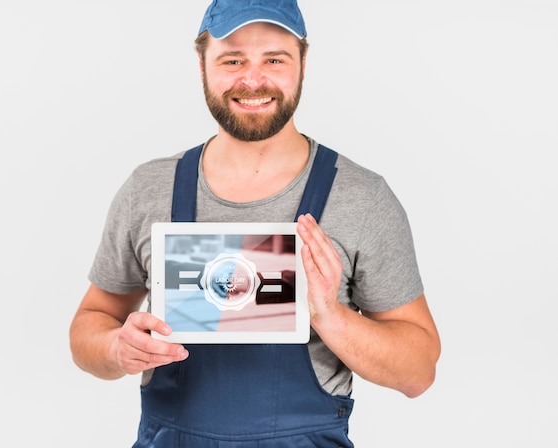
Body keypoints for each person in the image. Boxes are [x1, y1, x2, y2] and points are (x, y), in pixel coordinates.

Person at [69, 0, 441, 446]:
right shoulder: (149, 189)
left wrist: (329, 316)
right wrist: (116, 348)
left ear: (303, 63)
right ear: (202, 64)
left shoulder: (362, 198)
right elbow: (90, 324)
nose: (252, 79)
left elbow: (419, 373)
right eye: (233, 59)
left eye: (275, 59)